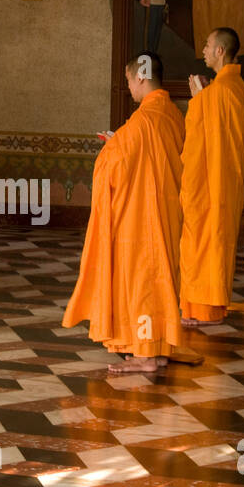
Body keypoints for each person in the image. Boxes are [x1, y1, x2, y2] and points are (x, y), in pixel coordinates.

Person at [63, 53, 185, 373]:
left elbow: (113, 166)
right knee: (161, 280)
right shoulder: (171, 113)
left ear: (141, 76)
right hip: (168, 210)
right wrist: (120, 144)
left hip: (143, 216)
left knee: (144, 280)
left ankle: (145, 356)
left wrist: (110, 148)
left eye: (129, 79)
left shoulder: (144, 119)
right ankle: (156, 348)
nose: (128, 86)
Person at [180, 27, 244, 325]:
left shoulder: (222, 90)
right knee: (211, 242)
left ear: (220, 51)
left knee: (208, 242)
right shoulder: (231, 87)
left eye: (208, 45)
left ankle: (206, 309)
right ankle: (202, 307)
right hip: (222, 182)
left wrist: (198, 99)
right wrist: (204, 97)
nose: (204, 50)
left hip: (212, 183)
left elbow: (204, 134)